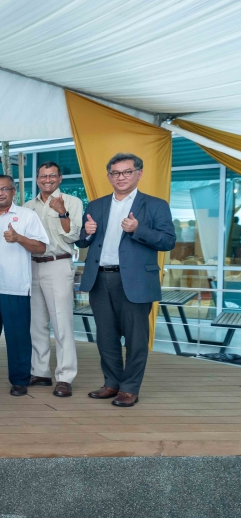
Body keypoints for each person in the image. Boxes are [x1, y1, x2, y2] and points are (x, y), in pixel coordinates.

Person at [76, 153, 175, 407]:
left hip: (136, 281)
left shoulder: (155, 205)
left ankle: (130, 388)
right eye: (116, 173)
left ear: (138, 174)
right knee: (105, 337)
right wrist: (84, 235)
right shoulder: (96, 205)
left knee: (135, 338)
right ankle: (112, 383)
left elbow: (168, 241)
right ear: (109, 176)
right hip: (100, 279)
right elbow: (84, 240)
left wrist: (137, 230)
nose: (121, 177)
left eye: (126, 172)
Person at [0, 175, 50, 396]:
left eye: (4, 189)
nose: (0, 193)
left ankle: (19, 379)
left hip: (14, 286)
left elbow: (41, 247)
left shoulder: (26, 216)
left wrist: (19, 238)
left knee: (17, 336)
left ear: (13, 192)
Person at [27, 162, 84, 397]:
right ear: (37, 179)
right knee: (36, 323)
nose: (47, 179)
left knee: (61, 323)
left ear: (60, 178)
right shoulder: (28, 206)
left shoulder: (73, 202)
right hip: (31, 266)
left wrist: (62, 212)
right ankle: (40, 372)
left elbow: (74, 235)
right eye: (43, 176)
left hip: (58, 264)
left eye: (52, 176)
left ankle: (65, 376)